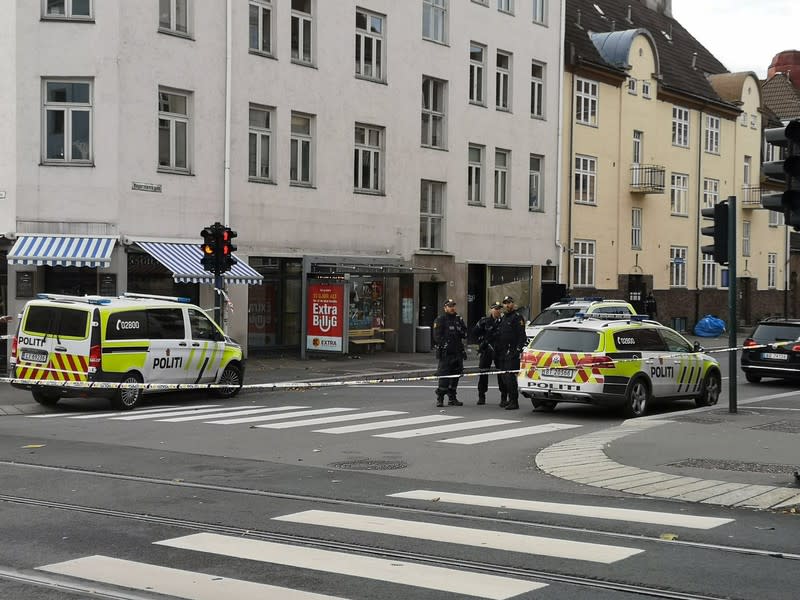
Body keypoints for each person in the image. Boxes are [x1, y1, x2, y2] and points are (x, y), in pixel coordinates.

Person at [432, 298, 467, 407]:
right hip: (446, 354)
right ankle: (440, 398)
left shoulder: (458, 319)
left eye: (453, 306)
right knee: (444, 377)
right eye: (449, 306)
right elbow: (437, 336)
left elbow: (464, 333)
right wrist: (444, 345)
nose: (452, 308)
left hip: (457, 352)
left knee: (455, 376)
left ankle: (452, 398)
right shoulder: (441, 319)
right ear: (445, 308)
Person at [494, 295, 527, 410]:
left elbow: (522, 336)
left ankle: (514, 401)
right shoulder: (504, 318)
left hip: (512, 351)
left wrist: (517, 350)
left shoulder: (517, 317)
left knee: (510, 378)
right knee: (504, 377)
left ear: (513, 304)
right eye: (505, 303)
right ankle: (508, 399)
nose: (507, 305)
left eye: (509, 303)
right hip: (503, 352)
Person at [472, 301, 503, 405]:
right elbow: (474, 332)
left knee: (501, 373)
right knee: (483, 372)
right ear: (491, 310)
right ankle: (481, 396)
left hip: (499, 350)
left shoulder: (504, 321)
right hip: (486, 350)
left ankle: (504, 397)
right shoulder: (484, 321)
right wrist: (481, 342)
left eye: (499, 308)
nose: (497, 310)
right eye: (495, 308)